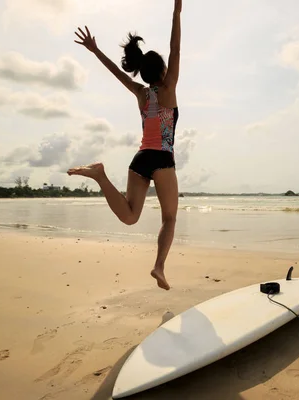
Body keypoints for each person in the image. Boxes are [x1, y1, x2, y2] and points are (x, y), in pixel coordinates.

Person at [67, 0, 182, 291]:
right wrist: (176, 11)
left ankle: (100, 175)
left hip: (141, 158)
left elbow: (116, 74)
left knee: (131, 216)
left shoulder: (140, 92)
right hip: (163, 159)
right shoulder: (168, 88)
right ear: (164, 70)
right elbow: (176, 48)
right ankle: (158, 266)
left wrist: (95, 51)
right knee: (169, 218)